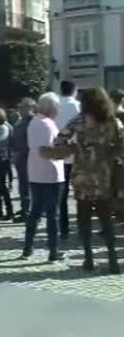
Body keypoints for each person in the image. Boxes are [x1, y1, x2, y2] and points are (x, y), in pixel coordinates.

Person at [41, 88, 123, 274]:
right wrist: (109, 153)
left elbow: (58, 142)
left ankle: (89, 259)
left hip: (82, 175)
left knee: (84, 219)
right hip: (103, 175)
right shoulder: (112, 121)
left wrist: (76, 148)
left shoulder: (78, 121)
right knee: (106, 220)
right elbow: (122, 144)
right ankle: (112, 259)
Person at [18, 93, 66, 262]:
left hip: (36, 172)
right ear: (51, 108)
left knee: (35, 212)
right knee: (52, 214)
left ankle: (28, 247)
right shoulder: (47, 124)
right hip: (51, 173)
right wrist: (66, 150)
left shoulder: (34, 123)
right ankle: (53, 251)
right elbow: (46, 151)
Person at [56, 80, 81, 240]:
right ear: (75, 90)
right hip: (78, 154)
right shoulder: (79, 107)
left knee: (62, 193)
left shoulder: (55, 106)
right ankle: (82, 223)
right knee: (81, 192)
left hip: (60, 153)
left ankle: (64, 228)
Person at [10, 97, 35, 222]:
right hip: (20, 158)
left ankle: (29, 210)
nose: (20, 109)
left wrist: (19, 153)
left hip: (27, 158)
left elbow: (30, 142)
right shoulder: (20, 122)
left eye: (23, 107)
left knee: (27, 185)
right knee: (23, 185)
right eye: (19, 107)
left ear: (30, 108)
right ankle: (25, 208)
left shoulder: (33, 122)